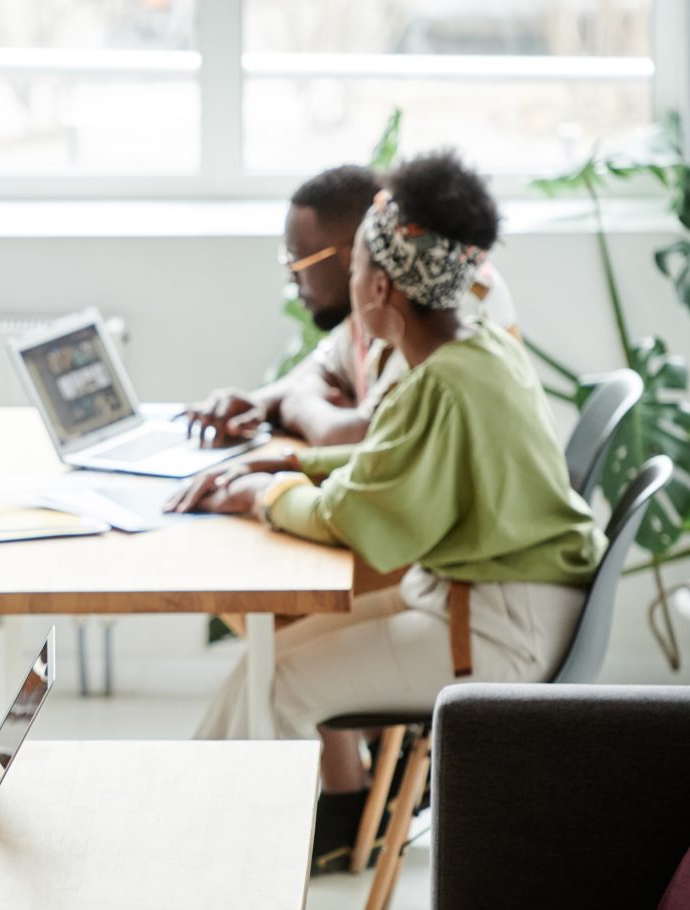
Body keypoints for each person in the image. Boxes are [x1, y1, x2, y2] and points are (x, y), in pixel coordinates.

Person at [168, 152, 604, 871]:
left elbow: (362, 515)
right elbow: (389, 463)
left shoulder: (440, 382)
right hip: (483, 599)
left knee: (274, 686)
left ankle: (221, 868)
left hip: (494, 627)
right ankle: (190, 843)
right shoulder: (467, 350)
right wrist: (288, 462)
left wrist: (259, 494)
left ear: (375, 288)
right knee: (265, 659)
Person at [183, 163, 521, 448]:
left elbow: (374, 438)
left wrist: (302, 406)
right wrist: (261, 402)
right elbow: (326, 368)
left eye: (298, 260)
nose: (291, 279)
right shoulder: (378, 300)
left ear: (355, 252)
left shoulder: (435, 300)